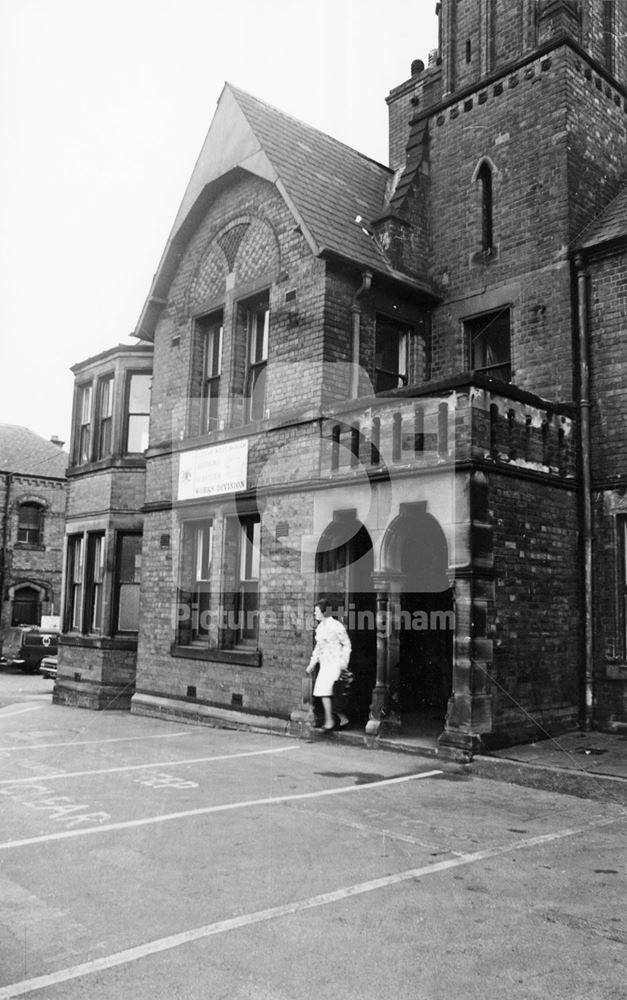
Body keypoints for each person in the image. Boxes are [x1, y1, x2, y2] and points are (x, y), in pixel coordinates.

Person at [306, 598, 351, 732]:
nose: (315, 614)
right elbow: (318, 649)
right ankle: (342, 719)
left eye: (317, 611)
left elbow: (347, 644)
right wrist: (312, 664)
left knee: (326, 692)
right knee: (326, 692)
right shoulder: (320, 628)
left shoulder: (336, 626)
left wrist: (344, 663)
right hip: (325, 665)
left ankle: (330, 721)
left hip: (336, 663)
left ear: (324, 612)